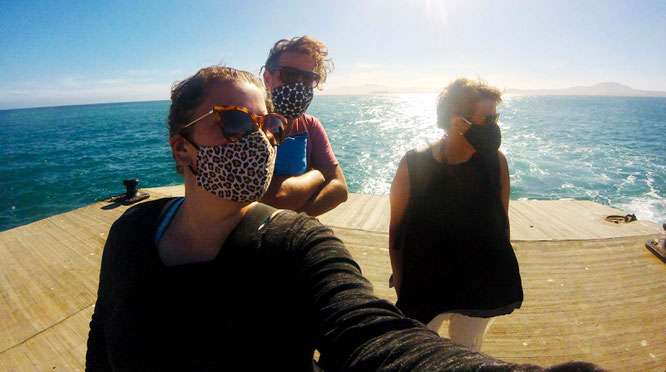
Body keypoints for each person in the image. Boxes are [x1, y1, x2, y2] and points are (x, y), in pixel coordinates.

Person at [86, 66, 600, 371]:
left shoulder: (297, 246)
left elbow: (371, 336)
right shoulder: (131, 231)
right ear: (182, 146)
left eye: (269, 125)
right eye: (235, 120)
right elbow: (101, 339)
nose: (260, 138)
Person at [389, 78, 524, 353]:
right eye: (487, 120)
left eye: (495, 117)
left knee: (466, 356)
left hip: (479, 284)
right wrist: (402, 284)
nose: (494, 127)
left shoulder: (496, 162)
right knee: (419, 354)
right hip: (425, 283)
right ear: (456, 121)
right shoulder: (414, 164)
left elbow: (502, 221)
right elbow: (397, 232)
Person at [260, 35, 347, 216]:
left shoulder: (310, 125)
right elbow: (276, 197)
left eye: (308, 79)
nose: (298, 85)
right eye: (288, 75)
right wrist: (317, 175)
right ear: (268, 78)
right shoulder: (251, 123)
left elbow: (339, 188)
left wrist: (295, 221)